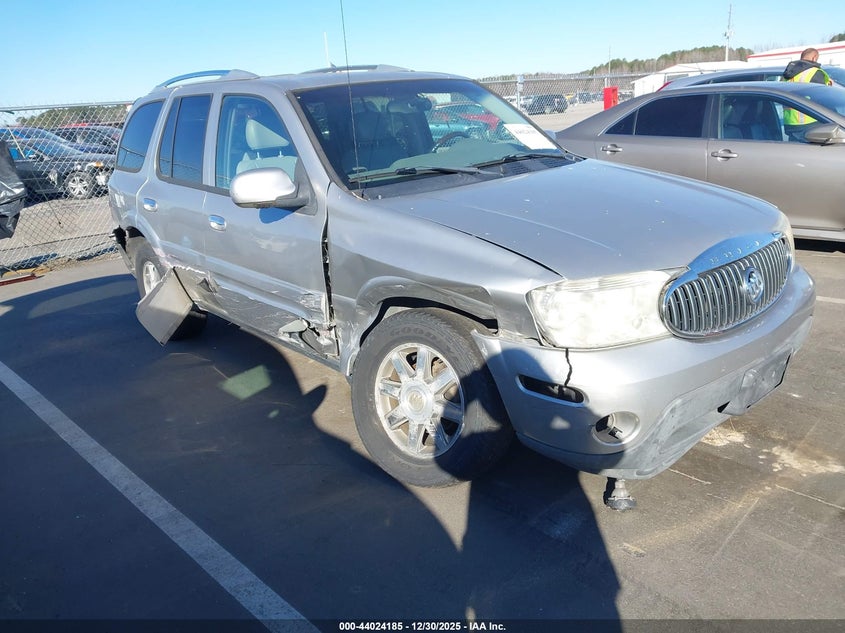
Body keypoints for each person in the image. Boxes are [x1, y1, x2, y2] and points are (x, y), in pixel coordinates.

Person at [782, 48, 833, 141]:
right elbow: (823, 98)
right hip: (810, 122)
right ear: (814, 58)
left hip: (790, 123)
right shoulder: (814, 72)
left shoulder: (788, 74)